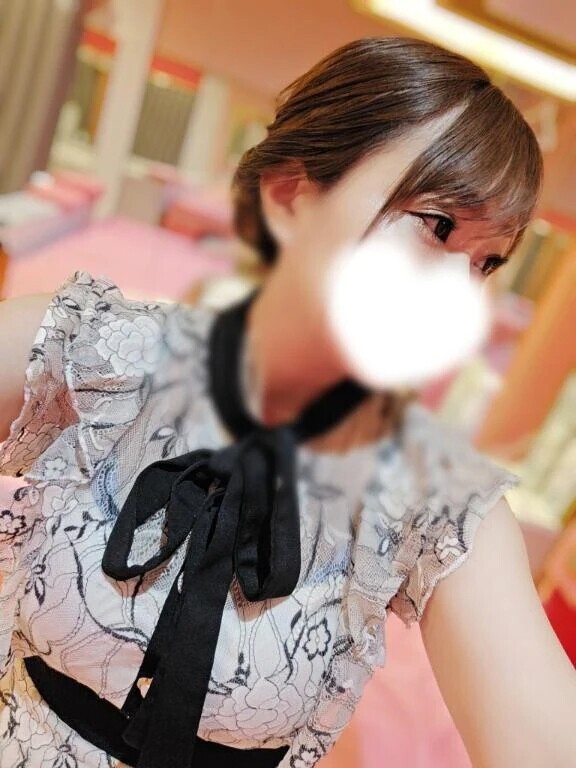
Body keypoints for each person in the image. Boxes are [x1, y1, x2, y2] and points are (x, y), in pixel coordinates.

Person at [0, 36, 575, 768]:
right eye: (437, 225)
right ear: (290, 192)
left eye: (486, 263)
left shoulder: (438, 500)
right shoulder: (99, 353)